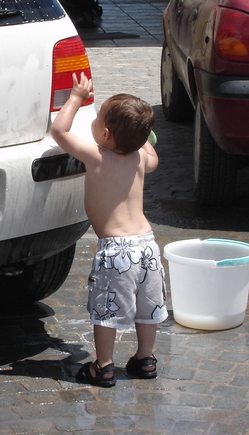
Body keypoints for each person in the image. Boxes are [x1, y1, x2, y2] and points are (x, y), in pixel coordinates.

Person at [50, 72, 168, 388]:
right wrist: (145, 139)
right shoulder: (141, 158)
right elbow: (152, 154)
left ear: (104, 133)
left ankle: (103, 366)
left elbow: (59, 131)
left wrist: (75, 98)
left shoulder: (97, 156)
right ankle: (145, 358)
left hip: (117, 251)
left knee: (106, 309)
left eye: (98, 115)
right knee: (148, 305)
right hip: (147, 245)